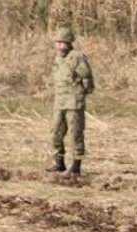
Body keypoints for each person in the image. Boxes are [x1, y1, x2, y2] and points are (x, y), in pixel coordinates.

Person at [46, 27, 95, 176]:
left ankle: (76, 166)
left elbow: (87, 78)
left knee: (75, 133)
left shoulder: (77, 58)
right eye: (58, 42)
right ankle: (59, 162)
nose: (60, 46)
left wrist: (82, 93)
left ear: (69, 43)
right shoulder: (58, 58)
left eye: (63, 43)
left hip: (74, 102)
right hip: (60, 101)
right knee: (56, 132)